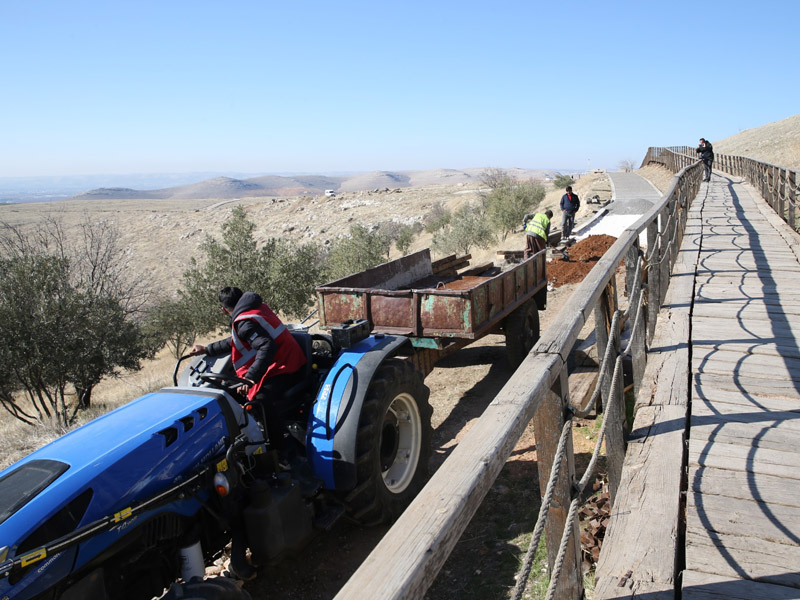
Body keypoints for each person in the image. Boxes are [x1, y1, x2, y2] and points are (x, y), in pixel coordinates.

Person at [190, 286, 307, 451]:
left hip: (285, 365)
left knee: (260, 402)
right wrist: (208, 349)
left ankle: (279, 453)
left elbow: (267, 346)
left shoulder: (244, 321)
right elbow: (236, 341)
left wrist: (250, 377)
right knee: (233, 391)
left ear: (224, 310)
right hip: (286, 359)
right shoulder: (253, 308)